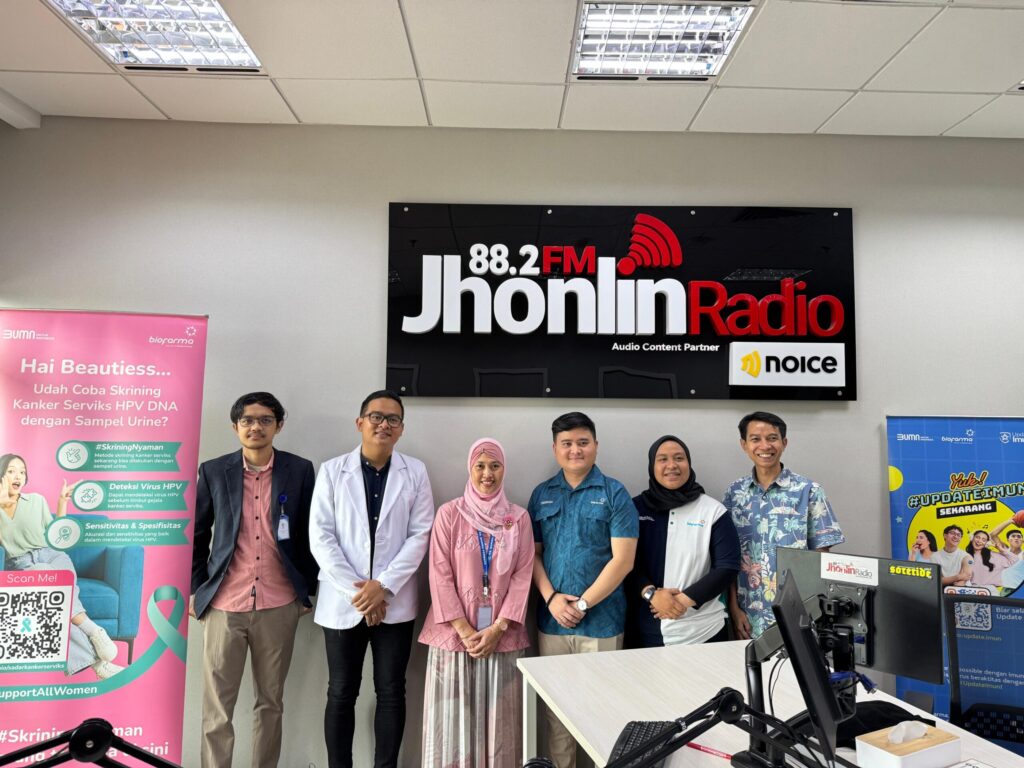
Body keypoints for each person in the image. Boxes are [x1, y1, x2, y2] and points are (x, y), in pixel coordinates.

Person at [190, 392, 318, 768]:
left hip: (279, 603)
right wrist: (197, 589)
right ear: (235, 427)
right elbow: (197, 535)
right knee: (217, 708)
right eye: (247, 420)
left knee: (270, 703)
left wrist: (306, 590)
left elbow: (312, 532)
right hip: (224, 604)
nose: (255, 427)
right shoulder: (214, 471)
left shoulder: (299, 470)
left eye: (265, 420)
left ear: (279, 425)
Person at [310, 389, 434, 768]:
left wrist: (383, 587)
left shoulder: (416, 472)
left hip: (393, 604)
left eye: (393, 419)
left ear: (401, 429)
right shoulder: (332, 471)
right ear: (360, 422)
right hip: (343, 601)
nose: (384, 424)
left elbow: (420, 534)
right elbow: (321, 536)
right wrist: (361, 593)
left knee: (392, 691)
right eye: (376, 417)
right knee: (341, 692)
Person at [529, 412, 637, 768]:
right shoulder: (542, 494)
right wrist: (551, 599)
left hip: (602, 623)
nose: (575, 450)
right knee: (557, 716)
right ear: (555, 448)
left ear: (596, 445)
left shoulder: (614, 493)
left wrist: (583, 604)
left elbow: (623, 560)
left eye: (582, 442)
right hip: (553, 623)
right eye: (567, 443)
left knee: (602, 713)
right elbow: (533, 556)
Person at [419, 438, 534, 768]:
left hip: (502, 637)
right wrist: (464, 629)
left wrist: (497, 628)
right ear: (470, 468)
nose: (488, 474)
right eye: (480, 466)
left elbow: (523, 575)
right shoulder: (449, 514)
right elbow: (439, 574)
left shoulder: (518, 518)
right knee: (451, 724)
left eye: (495, 466)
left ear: (504, 470)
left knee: (500, 726)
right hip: (454, 638)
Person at [723, 412, 844, 640]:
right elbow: (728, 557)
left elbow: (822, 559)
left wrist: (814, 612)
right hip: (748, 617)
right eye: (755, 439)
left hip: (798, 613)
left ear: (784, 442)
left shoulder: (809, 491)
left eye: (772, 438)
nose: (765, 446)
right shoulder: (734, 493)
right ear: (744, 445)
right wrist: (734, 608)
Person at [0, 453, 120, 679]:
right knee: (53, 589)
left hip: (53, 555)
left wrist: (62, 502)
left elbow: (54, 535)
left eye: (22, 472)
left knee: (59, 594)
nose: (18, 476)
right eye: (12, 471)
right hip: (23, 563)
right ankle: (95, 639)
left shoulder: (36, 500)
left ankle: (97, 660)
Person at [625, 436, 740, 648]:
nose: (672, 465)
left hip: (704, 631)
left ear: (689, 463)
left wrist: (681, 602)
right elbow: (625, 563)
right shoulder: (634, 509)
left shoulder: (713, 511)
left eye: (679, 458)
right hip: (645, 631)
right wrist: (651, 594)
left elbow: (727, 567)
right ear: (652, 466)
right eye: (662, 459)